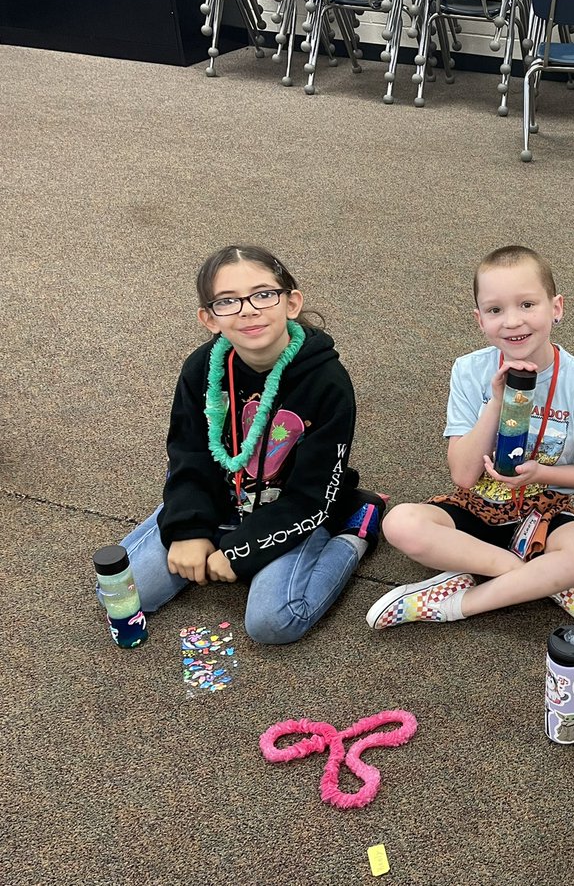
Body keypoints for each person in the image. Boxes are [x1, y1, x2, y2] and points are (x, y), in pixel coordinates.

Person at [117, 245, 386, 644]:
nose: (247, 310)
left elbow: (311, 495)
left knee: (273, 623)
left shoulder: (326, 381)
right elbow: (188, 456)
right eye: (228, 301)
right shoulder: (201, 369)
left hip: (293, 509)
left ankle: (356, 528)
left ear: (291, 303)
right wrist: (188, 529)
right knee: (122, 594)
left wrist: (242, 550)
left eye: (263, 294)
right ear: (209, 319)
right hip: (219, 498)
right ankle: (203, 534)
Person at [369, 245, 574, 629]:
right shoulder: (469, 371)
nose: (512, 322)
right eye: (495, 310)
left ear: (556, 308)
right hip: (476, 507)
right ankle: (544, 580)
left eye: (527, 304)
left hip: (543, 515)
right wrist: (497, 401)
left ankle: (457, 603)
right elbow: (463, 475)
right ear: (479, 319)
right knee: (400, 523)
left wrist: (540, 473)